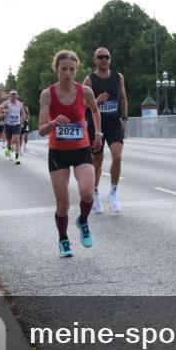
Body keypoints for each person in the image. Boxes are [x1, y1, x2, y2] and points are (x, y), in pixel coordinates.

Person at [38, 50, 103, 258]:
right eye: (64, 69)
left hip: (81, 148)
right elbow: (41, 129)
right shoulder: (48, 94)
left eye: (72, 69)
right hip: (58, 151)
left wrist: (98, 133)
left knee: (87, 193)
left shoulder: (85, 92)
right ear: (57, 69)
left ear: (77, 70)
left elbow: (94, 110)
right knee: (63, 203)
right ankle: (63, 239)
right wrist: (53, 123)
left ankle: (83, 221)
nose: (68, 73)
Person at [83, 47, 129, 214]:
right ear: (95, 60)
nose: (104, 59)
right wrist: (96, 101)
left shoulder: (118, 77)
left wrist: (124, 118)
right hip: (97, 125)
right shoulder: (89, 80)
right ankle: (95, 193)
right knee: (97, 161)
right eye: (100, 57)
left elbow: (123, 98)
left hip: (114, 123)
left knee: (117, 156)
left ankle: (113, 194)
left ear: (110, 59)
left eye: (107, 57)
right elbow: (81, 104)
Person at [0, 90, 27, 164]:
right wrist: (3, 111)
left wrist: (21, 123)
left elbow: (23, 114)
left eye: (14, 95)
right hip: (8, 124)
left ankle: (17, 158)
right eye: (12, 95)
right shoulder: (6, 103)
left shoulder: (20, 104)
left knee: (16, 140)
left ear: (16, 96)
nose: (13, 96)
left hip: (16, 124)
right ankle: (8, 152)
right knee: (9, 141)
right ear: (9, 96)